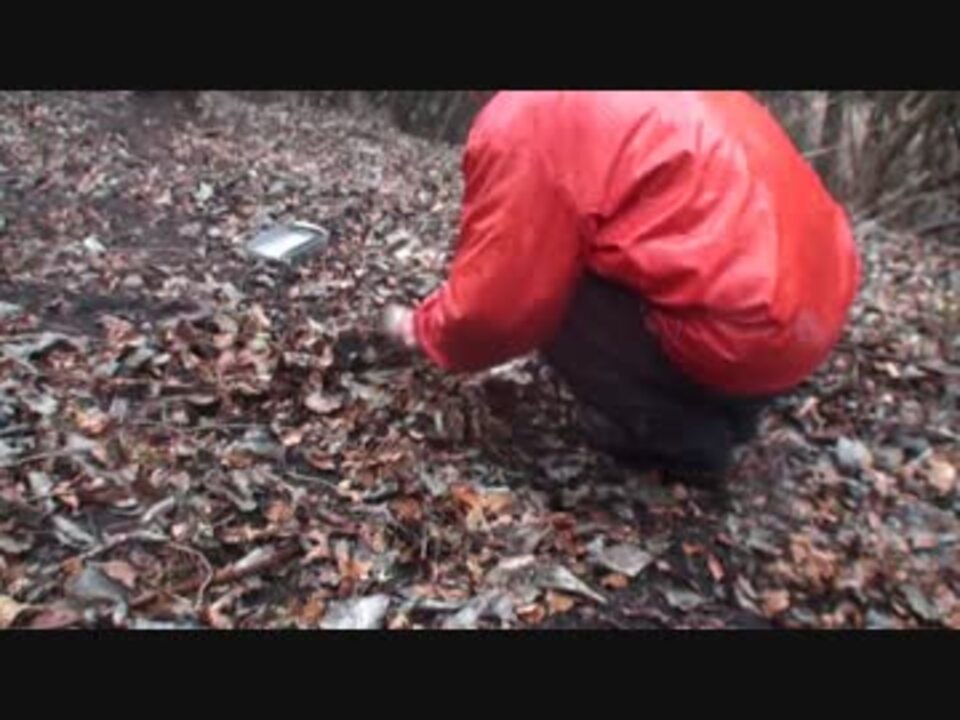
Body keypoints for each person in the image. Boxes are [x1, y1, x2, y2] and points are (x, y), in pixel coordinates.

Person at [381, 91, 860, 486]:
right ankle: (729, 409)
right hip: (815, 307)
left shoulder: (526, 117)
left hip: (747, 329)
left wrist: (423, 329)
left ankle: (678, 440)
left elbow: (495, 311)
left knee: (553, 284)